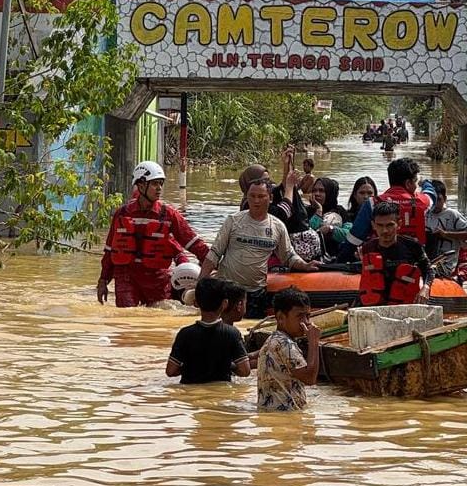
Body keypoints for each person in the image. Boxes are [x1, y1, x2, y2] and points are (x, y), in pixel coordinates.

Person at [200, 179, 319, 318]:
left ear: (270, 198)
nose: (256, 201)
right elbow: (214, 253)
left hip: (256, 292)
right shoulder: (233, 221)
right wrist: (200, 284)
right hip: (227, 288)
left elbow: (288, 256)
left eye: (261, 196)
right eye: (252, 196)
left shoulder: (278, 226)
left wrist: (305, 265)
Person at [97, 161, 209, 308]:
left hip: (157, 279)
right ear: (141, 185)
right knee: (126, 317)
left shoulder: (169, 215)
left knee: (160, 313)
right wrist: (103, 281)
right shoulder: (122, 214)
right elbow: (110, 250)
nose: (159, 188)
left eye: (161, 184)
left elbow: (193, 243)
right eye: (155, 184)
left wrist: (213, 262)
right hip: (126, 278)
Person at [343, 158, 434, 260]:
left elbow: (354, 240)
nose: (417, 186)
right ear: (408, 183)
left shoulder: (372, 203)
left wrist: (339, 261)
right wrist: (425, 182)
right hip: (415, 262)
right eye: (416, 182)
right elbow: (431, 193)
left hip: (379, 261)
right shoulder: (423, 202)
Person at [165, 277, 251, 384]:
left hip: (190, 390)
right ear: (225, 303)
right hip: (220, 390)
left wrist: (191, 366)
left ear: (196, 303)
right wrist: (227, 365)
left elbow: (170, 371)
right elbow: (245, 371)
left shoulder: (184, 334)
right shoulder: (232, 333)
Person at [256, 286, 321, 411]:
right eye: (300, 316)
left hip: (272, 414)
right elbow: (310, 378)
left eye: (308, 316)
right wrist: (314, 342)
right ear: (281, 318)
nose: (306, 322)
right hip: (286, 416)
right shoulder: (285, 344)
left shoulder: (273, 340)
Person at [359, 201, 434, 305]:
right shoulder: (367, 248)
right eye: (380, 225)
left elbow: (428, 270)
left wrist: (425, 287)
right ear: (373, 225)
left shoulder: (412, 245)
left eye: (390, 225)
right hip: (375, 303)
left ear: (399, 224)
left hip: (404, 303)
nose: (384, 230)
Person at [425, 180, 467, 278]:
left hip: (446, 267)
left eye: (438, 200)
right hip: (427, 263)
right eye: (432, 200)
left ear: (445, 199)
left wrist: (446, 234)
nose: (435, 204)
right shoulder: (424, 215)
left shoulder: (452, 215)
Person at [309, 177, 350, 253]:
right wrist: (318, 211)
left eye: (321, 191)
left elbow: (349, 234)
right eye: (314, 190)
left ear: (330, 193)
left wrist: (330, 229)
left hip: (335, 255)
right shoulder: (307, 211)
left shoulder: (340, 211)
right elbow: (308, 236)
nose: (317, 194)